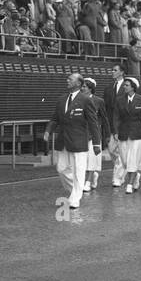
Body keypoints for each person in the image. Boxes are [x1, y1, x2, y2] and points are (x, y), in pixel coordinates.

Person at [45, 71, 101, 209]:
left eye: (70, 79)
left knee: (78, 170)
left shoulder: (86, 100)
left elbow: (93, 123)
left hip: (79, 140)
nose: (67, 81)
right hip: (63, 139)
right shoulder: (61, 99)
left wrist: (96, 142)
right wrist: (48, 130)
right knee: (61, 169)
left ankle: (75, 198)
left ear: (78, 83)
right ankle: (76, 189)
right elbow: (55, 118)